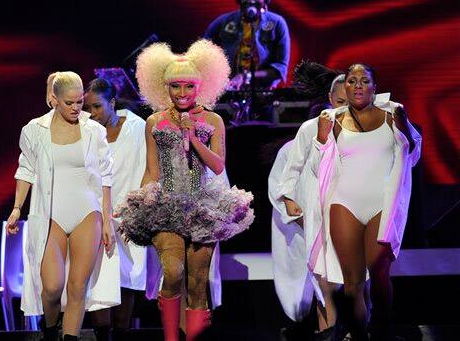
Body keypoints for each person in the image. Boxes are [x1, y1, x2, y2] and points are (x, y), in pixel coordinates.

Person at [115, 40, 254, 341]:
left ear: (200, 87)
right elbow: (152, 170)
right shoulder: (155, 121)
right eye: (175, 87)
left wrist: (194, 138)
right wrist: (137, 203)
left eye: (188, 87)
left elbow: (218, 166)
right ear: (164, 88)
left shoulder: (213, 120)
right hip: (167, 205)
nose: (182, 93)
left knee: (197, 282)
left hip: (204, 205)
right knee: (174, 272)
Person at [311, 63, 422, 340]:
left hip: (381, 205)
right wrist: (321, 138)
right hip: (344, 203)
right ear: (344, 86)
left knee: (379, 270)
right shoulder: (332, 120)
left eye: (364, 80)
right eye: (352, 80)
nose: (358, 85)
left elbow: (412, 154)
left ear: (374, 87)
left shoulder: (391, 116)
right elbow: (318, 168)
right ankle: (359, 335)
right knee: (352, 284)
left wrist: (405, 125)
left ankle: (381, 331)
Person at [6, 71, 116, 341]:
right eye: (70, 103)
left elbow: (105, 176)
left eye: (80, 102)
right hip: (50, 214)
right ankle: (49, 328)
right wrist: (17, 208)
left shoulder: (94, 130)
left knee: (78, 287)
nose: (77, 108)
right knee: (53, 287)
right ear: (53, 99)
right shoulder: (35, 130)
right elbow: (26, 170)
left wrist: (107, 219)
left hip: (87, 212)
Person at [269, 63, 347, 341]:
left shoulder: (355, 144)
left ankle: (339, 331)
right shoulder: (292, 150)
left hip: (342, 228)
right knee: (318, 285)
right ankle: (327, 331)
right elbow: (281, 190)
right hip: (305, 230)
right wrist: (304, 218)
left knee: (340, 286)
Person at [83, 78, 148, 340]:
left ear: (112, 103)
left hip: (130, 214)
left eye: (97, 107)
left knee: (127, 280)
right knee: (99, 281)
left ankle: (121, 334)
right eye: (88, 108)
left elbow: (147, 167)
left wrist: (138, 204)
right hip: (97, 216)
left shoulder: (137, 128)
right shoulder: (85, 131)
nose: (92, 113)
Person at [204, 0, 290, 90]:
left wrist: (245, 77)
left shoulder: (277, 23)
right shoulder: (224, 21)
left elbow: (280, 69)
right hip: (229, 92)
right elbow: (202, 53)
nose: (250, 1)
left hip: (263, 93)